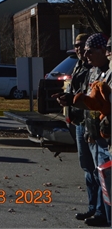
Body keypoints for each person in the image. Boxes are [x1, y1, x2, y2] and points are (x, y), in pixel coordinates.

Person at [53, 33, 101, 223]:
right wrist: (66, 98)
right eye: (77, 46)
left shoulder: (96, 68)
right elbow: (76, 92)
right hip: (78, 121)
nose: (81, 50)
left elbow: (93, 98)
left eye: (83, 46)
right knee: (87, 168)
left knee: (98, 170)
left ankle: (100, 211)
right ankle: (92, 207)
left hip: (92, 123)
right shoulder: (79, 65)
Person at [71, 33, 112, 226]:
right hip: (93, 132)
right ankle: (95, 209)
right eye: (84, 50)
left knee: (105, 178)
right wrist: (89, 131)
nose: (86, 55)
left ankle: (104, 214)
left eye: (90, 50)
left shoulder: (110, 73)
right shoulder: (93, 72)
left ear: (104, 51)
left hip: (107, 135)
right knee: (93, 173)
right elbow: (91, 103)